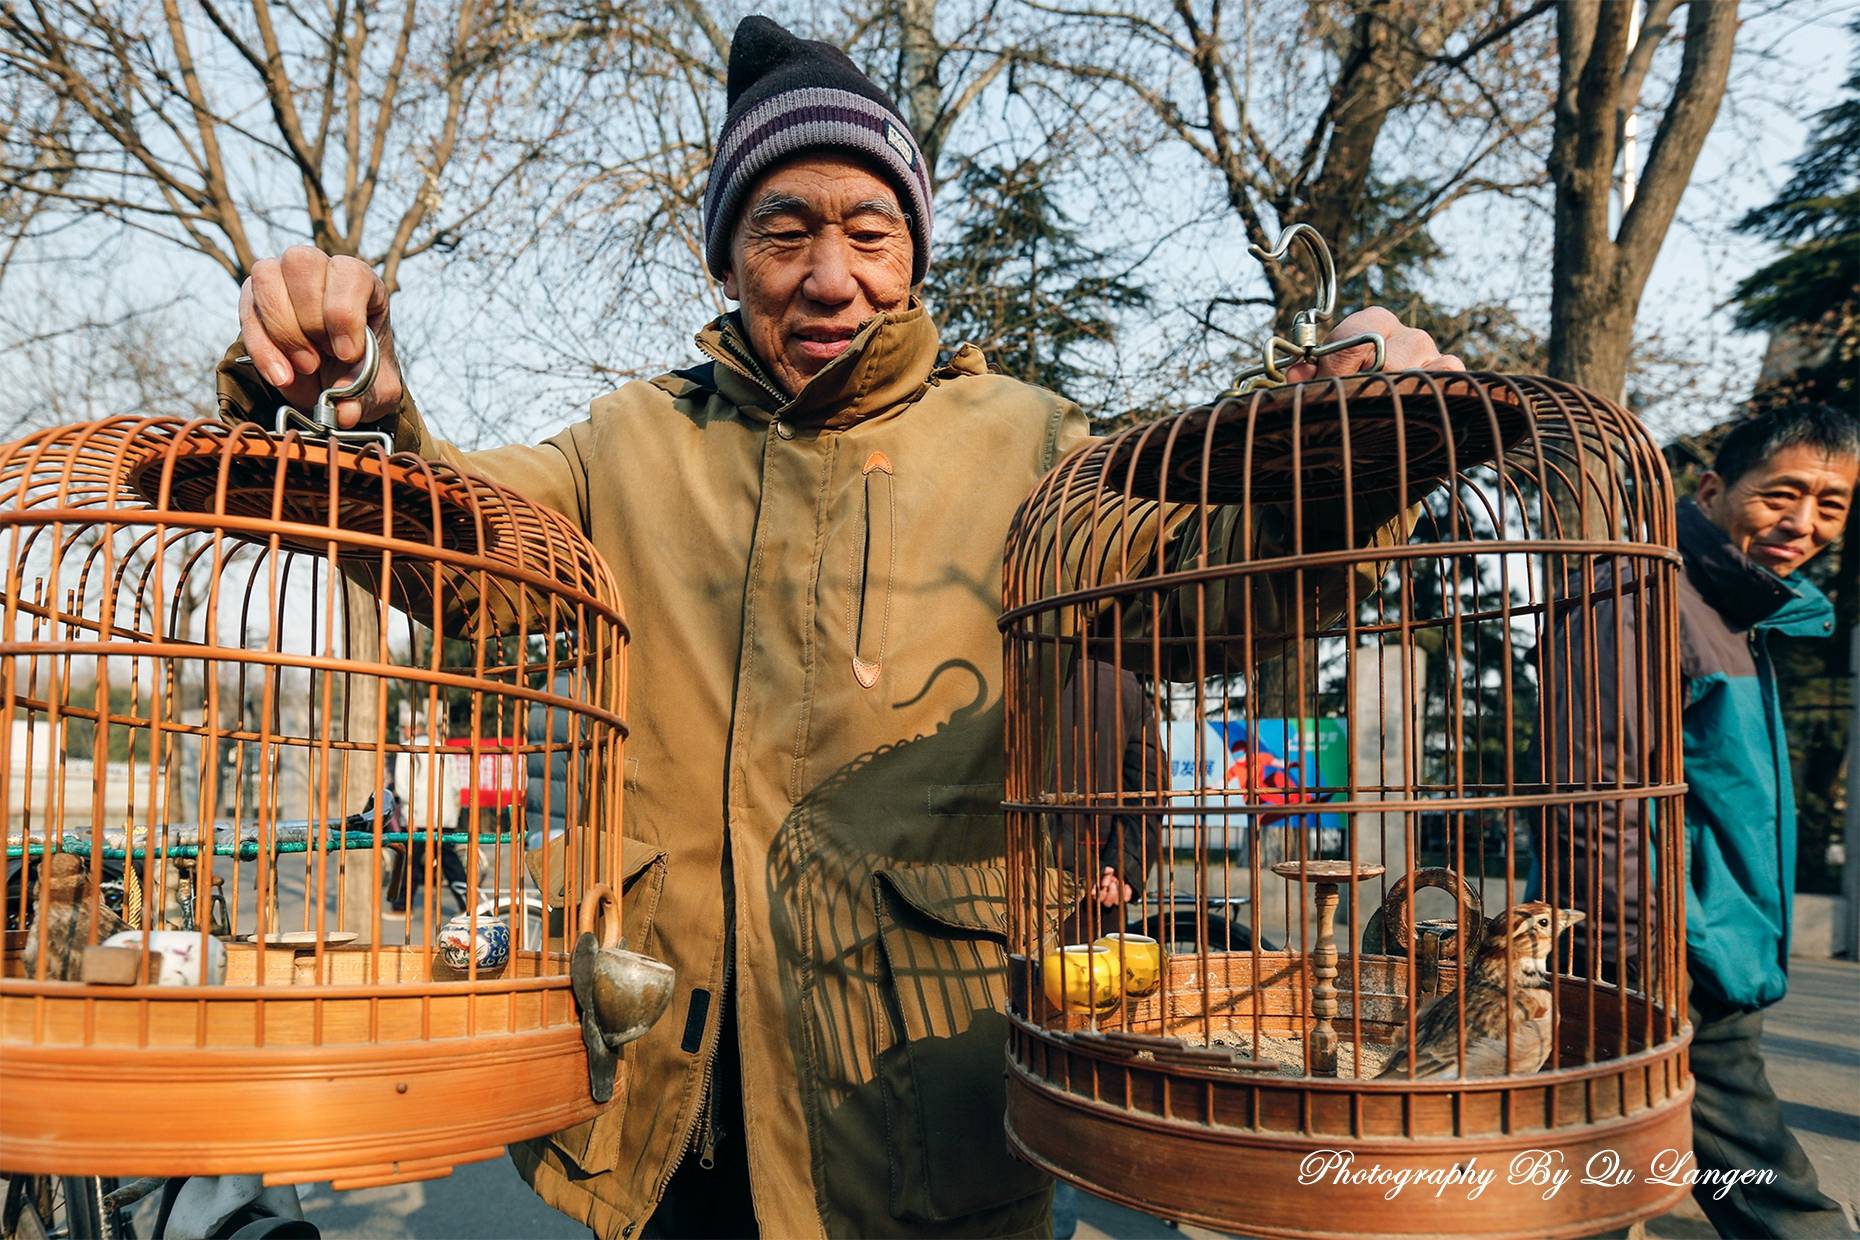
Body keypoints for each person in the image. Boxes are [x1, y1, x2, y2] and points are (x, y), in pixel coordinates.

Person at [219, 15, 1463, 1237]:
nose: (831, 276)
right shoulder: (629, 448)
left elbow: (1205, 601)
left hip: (919, 1103)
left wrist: (1348, 464)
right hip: (672, 1121)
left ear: (913, 255)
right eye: (784, 231)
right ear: (725, 258)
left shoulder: (1030, 447)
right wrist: (364, 410)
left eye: (870, 233)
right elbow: (464, 546)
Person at [1550, 405, 1856, 1238]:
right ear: (1715, 489)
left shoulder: (1733, 611)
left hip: (1709, 947)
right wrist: (1638, 972)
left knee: (1603, 1183)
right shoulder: (1642, 594)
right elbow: (1597, 799)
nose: (1803, 523)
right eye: (1782, 495)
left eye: (1831, 506)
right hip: (1666, 961)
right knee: (1766, 1190)